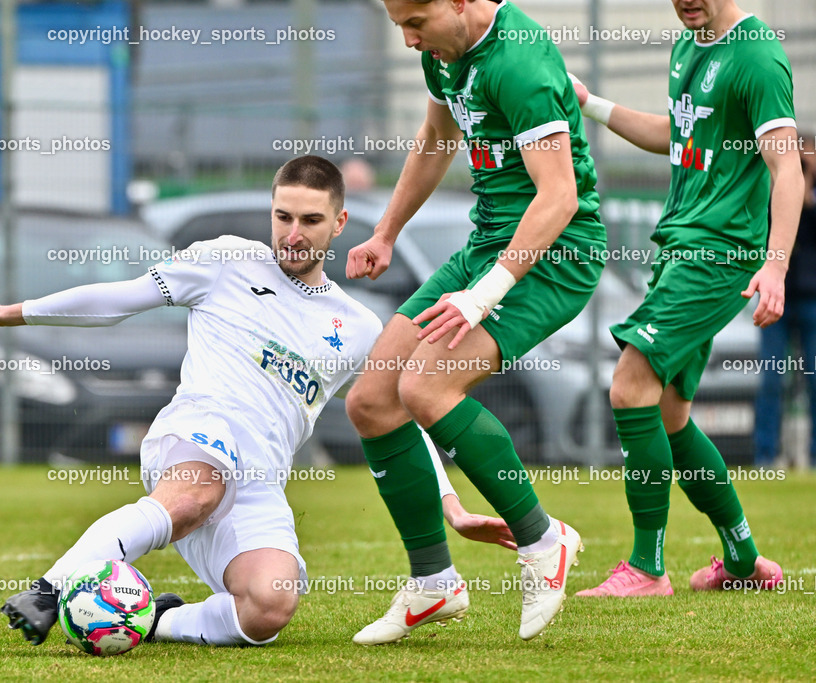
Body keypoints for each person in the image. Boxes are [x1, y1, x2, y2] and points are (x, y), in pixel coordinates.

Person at [0, 156, 514, 648]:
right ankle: (49, 590)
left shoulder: (359, 325)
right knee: (197, 492)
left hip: (260, 479)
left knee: (269, 607)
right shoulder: (226, 262)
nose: (293, 234)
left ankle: (153, 622)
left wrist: (451, 506)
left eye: (311, 221)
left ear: (339, 224)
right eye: (283, 217)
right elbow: (120, 298)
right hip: (194, 435)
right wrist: (9, 312)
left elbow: (393, 419)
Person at [344, 0, 607, 642]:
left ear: (459, 2)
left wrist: (482, 295)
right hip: (487, 244)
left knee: (426, 388)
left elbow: (560, 196)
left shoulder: (518, 62)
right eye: (398, 27)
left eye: (415, 23)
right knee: (373, 401)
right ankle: (434, 583)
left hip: (554, 254)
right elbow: (436, 143)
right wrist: (385, 232)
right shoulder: (445, 53)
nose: (408, 41)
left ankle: (545, 543)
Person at [572, 0, 802, 597]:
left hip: (719, 252)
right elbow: (674, 137)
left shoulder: (757, 55)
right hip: (681, 247)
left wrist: (775, 265)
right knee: (670, 414)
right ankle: (744, 560)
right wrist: (591, 103)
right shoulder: (690, 43)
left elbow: (787, 167)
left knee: (629, 385)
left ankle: (647, 569)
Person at [754, 137, 816, 468]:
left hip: (811, 299)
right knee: (770, 377)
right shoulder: (772, 191)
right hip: (777, 297)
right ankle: (764, 454)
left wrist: (806, 197)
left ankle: (813, 456)